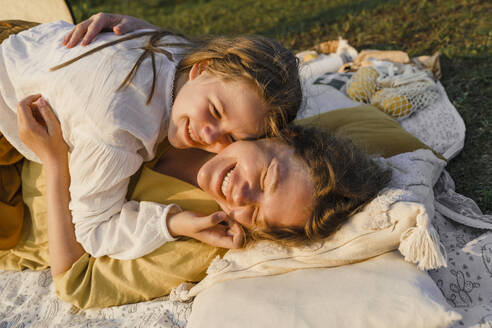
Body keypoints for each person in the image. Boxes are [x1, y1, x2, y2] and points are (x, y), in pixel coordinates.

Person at [0, 19, 301, 259]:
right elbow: (93, 230)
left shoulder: (181, 52)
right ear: (202, 68)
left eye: (233, 137)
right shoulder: (117, 128)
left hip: (22, 39)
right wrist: (172, 222)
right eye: (214, 110)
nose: (208, 134)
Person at [17, 95, 391, 280]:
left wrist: (54, 163)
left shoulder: (199, 235)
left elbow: (73, 279)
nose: (242, 197)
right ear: (281, 134)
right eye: (264, 179)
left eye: (256, 213)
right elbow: (374, 123)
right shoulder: (206, 119)